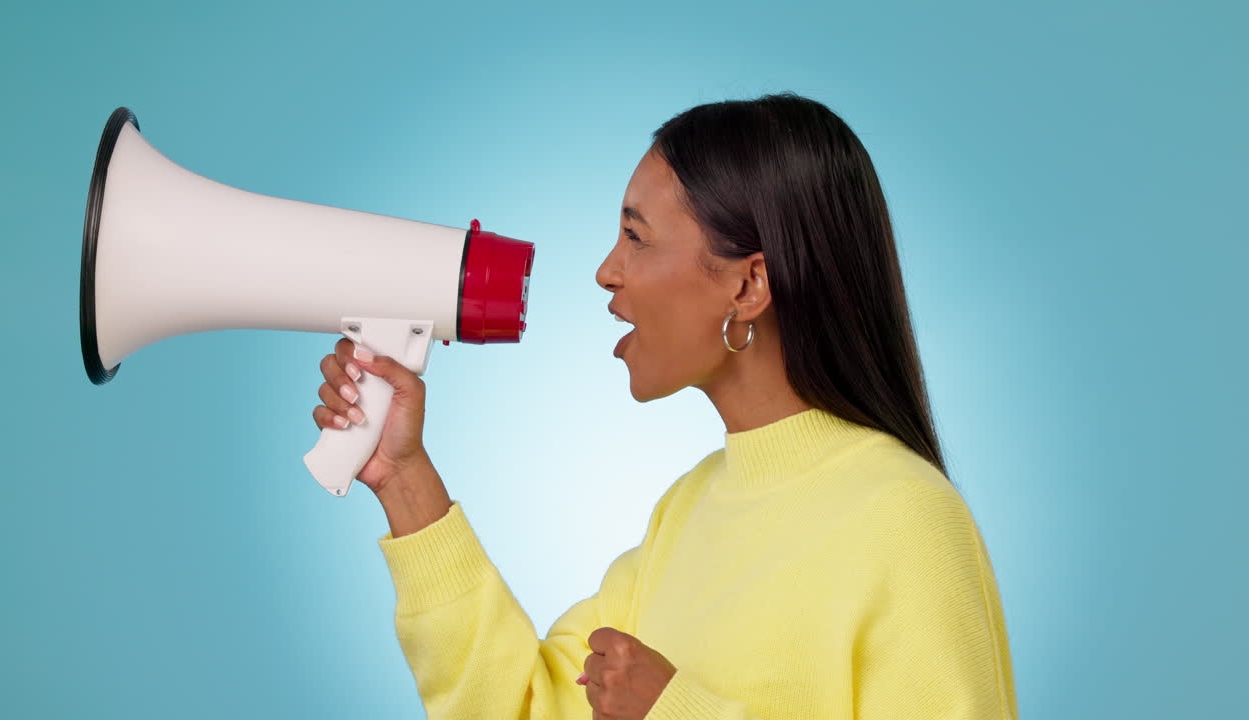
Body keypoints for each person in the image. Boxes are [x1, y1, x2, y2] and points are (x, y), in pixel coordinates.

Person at [311, 92, 1019, 719]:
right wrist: (403, 479)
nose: (606, 271)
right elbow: (528, 709)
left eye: (636, 237)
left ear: (748, 288)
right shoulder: (687, 512)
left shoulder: (907, 519)